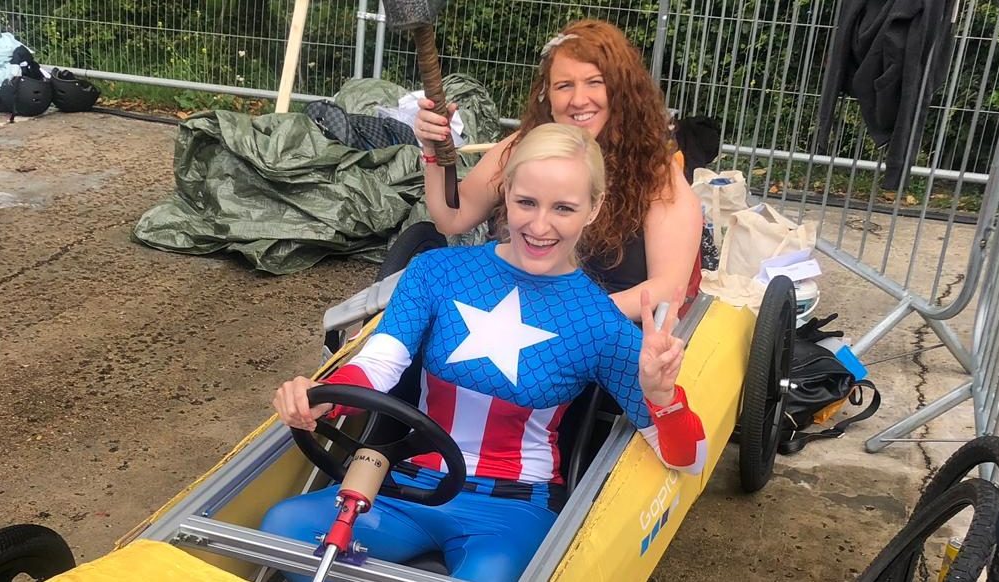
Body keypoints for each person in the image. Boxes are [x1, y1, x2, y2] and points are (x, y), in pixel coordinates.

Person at [261, 124, 706, 582]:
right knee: (284, 528)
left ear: (592, 209)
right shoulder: (436, 271)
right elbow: (379, 363)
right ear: (506, 192)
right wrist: (321, 398)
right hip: (406, 486)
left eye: (564, 208)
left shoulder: (601, 322)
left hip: (511, 511)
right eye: (527, 202)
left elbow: (689, 459)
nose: (540, 226)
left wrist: (662, 396)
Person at [414, 19, 703, 320]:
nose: (578, 100)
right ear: (547, 95)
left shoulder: (655, 172)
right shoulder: (524, 148)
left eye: (594, 82)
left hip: (601, 331)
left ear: (621, 91)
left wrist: (567, 315)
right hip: (508, 317)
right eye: (564, 86)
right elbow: (452, 217)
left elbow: (668, 288)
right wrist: (434, 151)